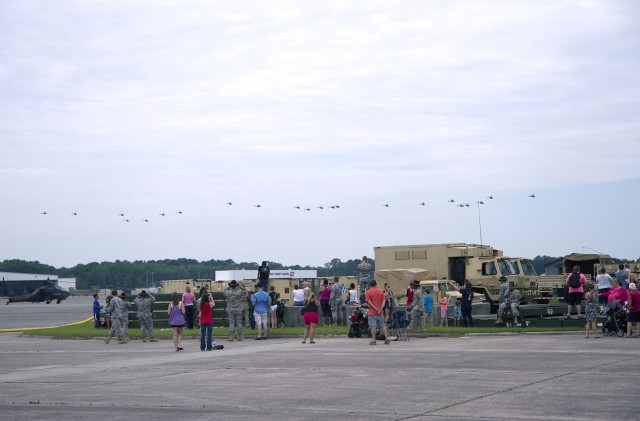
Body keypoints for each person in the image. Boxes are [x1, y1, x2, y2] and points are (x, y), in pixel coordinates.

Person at [365, 279, 389, 345]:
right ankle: (387, 338)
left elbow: (369, 302)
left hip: (372, 313)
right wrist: (380, 309)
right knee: (383, 326)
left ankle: (373, 340)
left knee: (373, 326)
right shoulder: (381, 291)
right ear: (376, 284)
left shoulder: (368, 292)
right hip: (380, 312)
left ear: (370, 284)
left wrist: (375, 309)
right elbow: (384, 301)